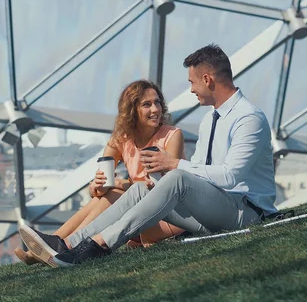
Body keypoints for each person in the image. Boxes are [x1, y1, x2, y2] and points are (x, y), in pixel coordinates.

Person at [20, 44, 278, 267]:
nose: (191, 89)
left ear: (208, 80)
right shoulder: (210, 120)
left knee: (176, 177)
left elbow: (231, 176)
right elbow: (199, 169)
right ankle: (69, 244)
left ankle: (99, 245)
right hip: (212, 210)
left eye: (192, 82)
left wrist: (174, 164)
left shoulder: (248, 118)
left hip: (246, 212)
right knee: (141, 189)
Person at [17, 80, 186, 266]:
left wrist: (119, 184)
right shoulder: (122, 139)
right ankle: (56, 244)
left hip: (162, 213)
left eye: (157, 102)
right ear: (132, 110)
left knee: (115, 193)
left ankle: (60, 245)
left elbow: (161, 188)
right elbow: (99, 189)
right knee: (106, 196)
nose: (155, 109)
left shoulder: (172, 135)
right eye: (147, 104)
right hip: (132, 210)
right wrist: (97, 186)